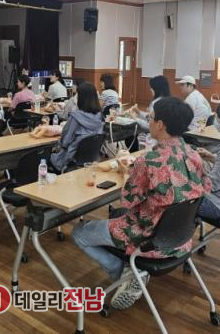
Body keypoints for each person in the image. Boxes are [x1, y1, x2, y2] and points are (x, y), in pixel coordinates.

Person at [72, 97, 211, 310]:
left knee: (80, 232)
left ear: (160, 124)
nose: (149, 122)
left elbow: (128, 200)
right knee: (118, 215)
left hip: (146, 238)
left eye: (151, 118)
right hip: (179, 238)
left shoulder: (149, 160)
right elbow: (199, 189)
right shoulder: (194, 156)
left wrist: (126, 172)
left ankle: (125, 275)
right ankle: (133, 271)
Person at [49, 82, 103, 172]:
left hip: (71, 158)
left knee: (46, 157)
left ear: (81, 97)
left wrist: (58, 146)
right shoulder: (99, 115)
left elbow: (65, 142)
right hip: (91, 157)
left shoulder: (75, 116)